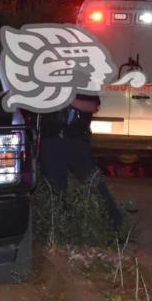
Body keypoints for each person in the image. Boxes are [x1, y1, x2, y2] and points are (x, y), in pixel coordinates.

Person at [39, 94, 123, 230]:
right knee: (54, 188)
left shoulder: (84, 81)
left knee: (94, 183)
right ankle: (58, 229)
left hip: (76, 141)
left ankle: (116, 226)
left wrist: (68, 99)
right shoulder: (47, 80)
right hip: (51, 140)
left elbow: (92, 106)